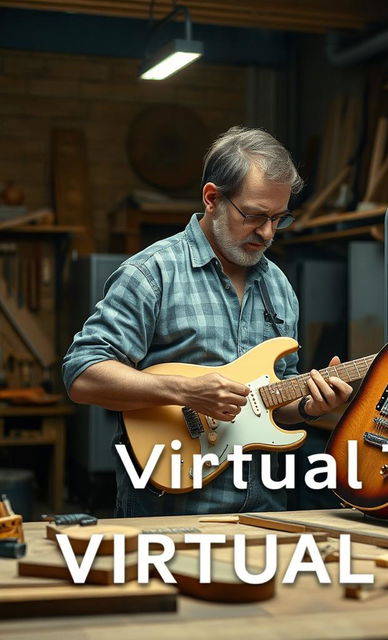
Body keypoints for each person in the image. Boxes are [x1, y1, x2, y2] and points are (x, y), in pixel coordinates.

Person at [62, 126, 352, 517]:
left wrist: (308, 406)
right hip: (169, 515)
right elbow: (82, 375)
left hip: (264, 513)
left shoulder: (279, 286)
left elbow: (273, 403)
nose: (267, 232)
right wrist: (185, 391)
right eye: (254, 215)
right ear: (212, 198)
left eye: (279, 219)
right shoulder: (152, 274)